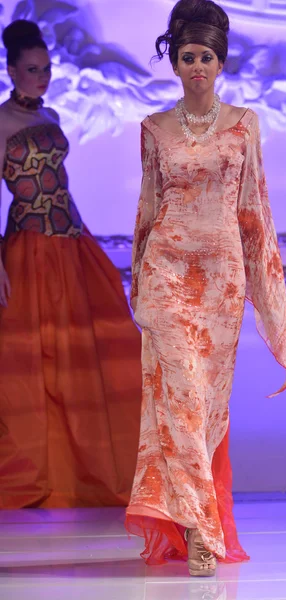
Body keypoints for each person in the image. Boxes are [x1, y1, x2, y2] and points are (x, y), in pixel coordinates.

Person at [125, 0, 286, 577]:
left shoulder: (244, 125)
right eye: (187, 56)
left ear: (221, 63)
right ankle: (201, 530)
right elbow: (147, 211)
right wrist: (138, 284)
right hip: (167, 274)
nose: (197, 65)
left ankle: (200, 518)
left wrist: (265, 293)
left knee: (206, 406)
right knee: (181, 399)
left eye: (207, 56)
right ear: (173, 62)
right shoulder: (153, 129)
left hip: (221, 281)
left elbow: (254, 210)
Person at [0, 20, 142, 509]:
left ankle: (86, 472)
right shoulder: (0, 124)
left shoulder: (55, 113)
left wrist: (84, 240)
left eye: (47, 68)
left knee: (87, 354)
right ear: (12, 69)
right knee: (32, 364)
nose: (42, 77)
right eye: (33, 69)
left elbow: (61, 184)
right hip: (28, 248)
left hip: (69, 241)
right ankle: (36, 475)